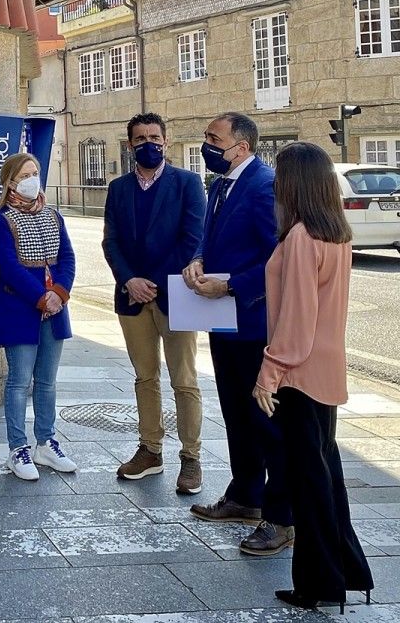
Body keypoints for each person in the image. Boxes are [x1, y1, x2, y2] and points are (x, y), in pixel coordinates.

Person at [253, 142, 373, 611]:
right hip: (326, 371)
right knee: (327, 478)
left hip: (299, 375)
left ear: (295, 181)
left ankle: (320, 583)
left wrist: (269, 371)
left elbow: (297, 320)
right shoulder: (336, 233)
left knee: (309, 483)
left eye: (279, 173)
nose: (274, 181)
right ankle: (346, 572)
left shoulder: (302, 237)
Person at [183, 112, 293, 556]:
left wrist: (231, 285)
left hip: (253, 322)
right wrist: (197, 257)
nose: (207, 144)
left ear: (241, 147)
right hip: (223, 320)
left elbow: (277, 258)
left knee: (266, 422)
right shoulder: (222, 182)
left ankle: (280, 517)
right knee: (234, 411)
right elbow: (210, 236)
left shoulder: (263, 186)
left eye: (214, 138)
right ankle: (245, 494)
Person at [102, 113, 206, 494]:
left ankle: (191, 458)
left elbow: (193, 239)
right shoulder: (119, 188)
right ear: (130, 144)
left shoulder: (188, 183)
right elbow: (110, 241)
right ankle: (150, 450)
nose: (149, 143)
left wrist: (156, 284)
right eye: (141, 137)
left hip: (176, 295)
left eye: (155, 136)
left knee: (184, 380)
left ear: (165, 139)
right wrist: (129, 279)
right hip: (131, 298)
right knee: (145, 378)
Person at [0, 152, 77, 481]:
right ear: (10, 182)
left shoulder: (54, 215)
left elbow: (67, 257)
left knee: (47, 382)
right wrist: (42, 298)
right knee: (18, 382)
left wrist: (59, 294)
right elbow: (10, 268)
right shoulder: (1, 220)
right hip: (21, 309)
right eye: (25, 174)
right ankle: (17, 447)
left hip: (55, 310)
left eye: (35, 172)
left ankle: (46, 441)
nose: (32, 179)